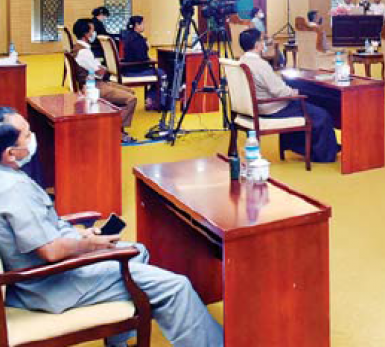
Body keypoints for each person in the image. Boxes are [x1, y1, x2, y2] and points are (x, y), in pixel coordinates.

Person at [0, 107, 224, 347]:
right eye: (27, 135)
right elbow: (50, 252)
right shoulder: (14, 189)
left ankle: (117, 343)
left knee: (138, 251)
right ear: (11, 154)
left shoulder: (8, 177)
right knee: (176, 287)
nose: (33, 138)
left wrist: (80, 236)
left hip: (40, 276)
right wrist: (87, 245)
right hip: (51, 284)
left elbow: (42, 230)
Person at [238, 29, 339, 162]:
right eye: (262, 40)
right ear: (257, 45)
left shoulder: (241, 61)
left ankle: (300, 146)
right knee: (322, 114)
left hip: (255, 107)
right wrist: (294, 92)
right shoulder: (260, 65)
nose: (264, 43)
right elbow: (279, 91)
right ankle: (324, 155)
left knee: (309, 105)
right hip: (272, 108)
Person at [72, 18, 138, 143]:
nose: (94, 33)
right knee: (131, 99)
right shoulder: (84, 52)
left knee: (130, 91)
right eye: (92, 30)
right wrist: (102, 69)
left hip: (95, 82)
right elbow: (100, 71)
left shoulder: (78, 47)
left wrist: (101, 69)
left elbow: (98, 69)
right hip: (93, 86)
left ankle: (117, 125)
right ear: (86, 34)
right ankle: (116, 131)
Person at [120, 16, 167, 111]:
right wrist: (150, 58)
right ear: (137, 25)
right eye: (142, 24)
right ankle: (159, 103)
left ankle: (150, 98)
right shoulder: (138, 39)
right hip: (135, 71)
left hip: (127, 69)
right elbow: (142, 58)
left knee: (157, 72)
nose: (144, 26)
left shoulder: (128, 36)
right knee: (162, 73)